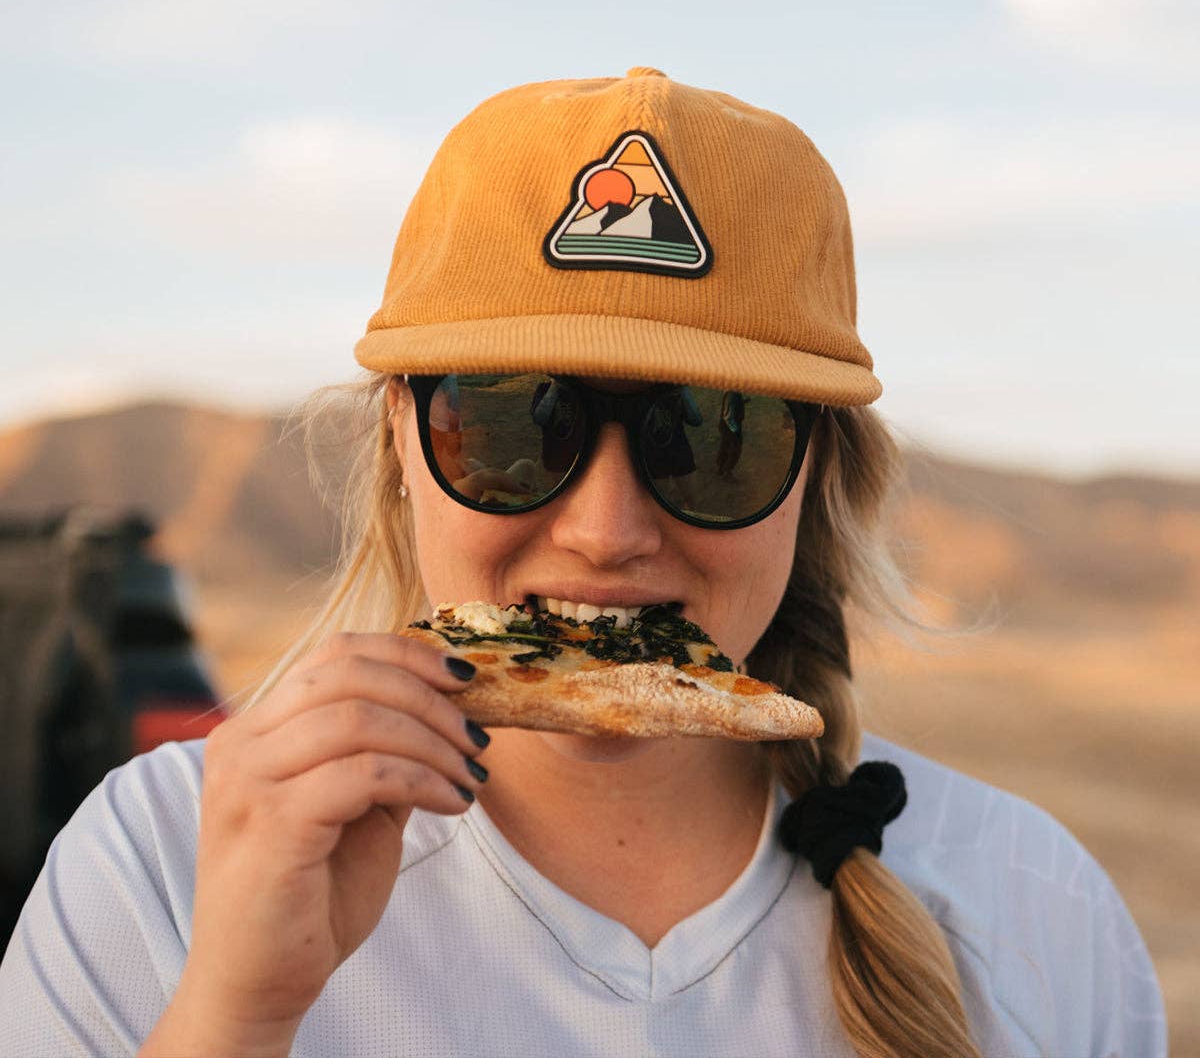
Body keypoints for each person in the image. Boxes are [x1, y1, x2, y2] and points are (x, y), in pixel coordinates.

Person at [0, 68, 1167, 1057]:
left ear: (816, 480)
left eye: (716, 438)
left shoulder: (1033, 914)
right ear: (401, 444)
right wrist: (237, 1013)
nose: (607, 533)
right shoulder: (159, 861)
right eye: (510, 426)